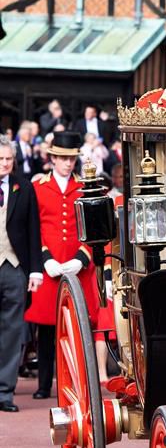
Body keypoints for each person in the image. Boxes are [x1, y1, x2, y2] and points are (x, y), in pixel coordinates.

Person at [25, 131, 100, 399]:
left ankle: (75, 386)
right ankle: (44, 385)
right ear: (53, 158)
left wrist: (81, 259)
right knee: (46, 330)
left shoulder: (85, 188)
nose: (69, 164)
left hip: (76, 266)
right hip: (50, 266)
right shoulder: (38, 188)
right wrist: (45, 259)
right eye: (64, 159)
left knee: (77, 329)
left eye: (72, 159)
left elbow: (94, 230)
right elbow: (34, 228)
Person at [0, 136, 43, 412]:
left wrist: (36, 270)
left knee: (12, 332)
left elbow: (33, 230)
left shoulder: (24, 187)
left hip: (15, 268)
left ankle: (4, 392)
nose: (4, 164)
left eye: (8, 159)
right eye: (0, 159)